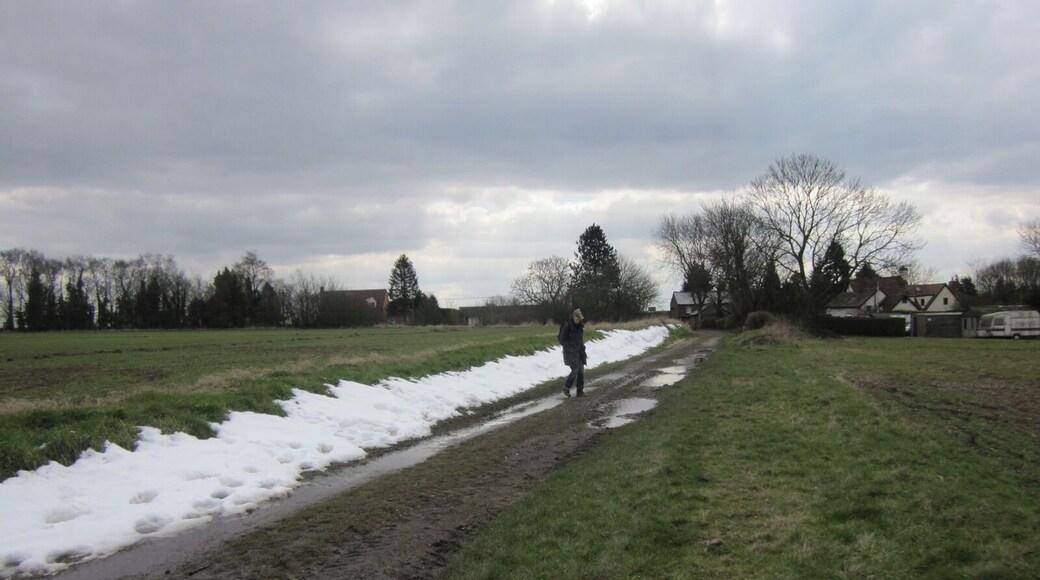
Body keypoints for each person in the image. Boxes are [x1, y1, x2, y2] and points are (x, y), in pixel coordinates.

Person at [558, 308, 587, 397]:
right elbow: (561, 339)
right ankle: (566, 387)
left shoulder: (580, 326)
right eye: (577, 319)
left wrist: (582, 348)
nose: (578, 321)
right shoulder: (567, 325)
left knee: (581, 371)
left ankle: (580, 391)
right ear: (574, 317)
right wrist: (570, 348)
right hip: (570, 352)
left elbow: (580, 340)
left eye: (579, 319)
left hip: (579, 351)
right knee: (575, 369)